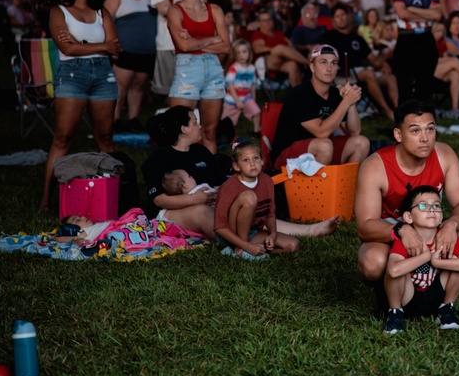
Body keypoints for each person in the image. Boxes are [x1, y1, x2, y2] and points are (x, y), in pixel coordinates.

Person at [355, 100, 459, 294]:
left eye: (430, 129)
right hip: (393, 235)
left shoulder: (444, 154)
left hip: (432, 230)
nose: (425, 138)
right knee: (372, 262)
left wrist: (450, 225)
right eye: (415, 131)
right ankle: (395, 294)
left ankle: (437, 286)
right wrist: (402, 230)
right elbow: (365, 227)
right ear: (398, 135)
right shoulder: (375, 166)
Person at [142, 106, 340, 238]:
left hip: (209, 203)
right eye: (195, 122)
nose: (200, 126)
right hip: (171, 213)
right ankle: (247, 240)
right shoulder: (160, 157)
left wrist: (220, 192)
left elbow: (222, 181)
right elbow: (158, 200)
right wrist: (197, 200)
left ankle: (310, 230)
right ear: (184, 129)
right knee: (203, 211)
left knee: (247, 203)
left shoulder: (200, 152)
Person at [39, 0, 123, 211]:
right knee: (63, 137)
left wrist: (82, 44)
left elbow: (115, 49)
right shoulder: (59, 12)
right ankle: (46, 199)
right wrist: (100, 46)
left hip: (103, 75)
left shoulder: (102, 13)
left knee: (106, 138)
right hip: (72, 75)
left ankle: (116, 194)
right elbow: (68, 48)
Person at [382, 185, 459, 334]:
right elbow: (393, 270)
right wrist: (426, 256)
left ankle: (446, 309)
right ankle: (395, 313)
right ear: (408, 217)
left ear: (441, 216)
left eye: (436, 206)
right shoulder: (407, 240)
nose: (431, 209)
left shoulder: (445, 238)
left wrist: (437, 262)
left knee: (458, 262)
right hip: (408, 296)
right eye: (423, 206)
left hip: (436, 294)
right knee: (399, 269)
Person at [270, 45, 369, 170]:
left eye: (333, 63)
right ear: (312, 67)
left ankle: (346, 187)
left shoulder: (334, 94)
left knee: (361, 142)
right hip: (287, 157)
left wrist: (351, 103)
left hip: (323, 150)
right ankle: (316, 189)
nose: (329, 68)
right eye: (323, 62)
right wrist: (345, 102)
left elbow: (354, 131)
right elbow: (321, 132)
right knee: (324, 145)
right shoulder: (299, 94)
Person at [166, 0, 231, 154]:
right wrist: (212, 39)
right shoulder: (175, 11)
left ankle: (209, 177)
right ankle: (179, 179)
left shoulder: (215, 10)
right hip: (187, 70)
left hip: (213, 70)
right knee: (179, 133)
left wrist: (195, 41)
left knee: (210, 132)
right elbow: (184, 46)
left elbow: (226, 47)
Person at [214, 140, 299, 259]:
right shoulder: (229, 187)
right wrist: (247, 246)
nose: (252, 164)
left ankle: (254, 253)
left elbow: (270, 214)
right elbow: (220, 227)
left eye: (255, 158)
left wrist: (272, 235)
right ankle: (240, 249)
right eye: (246, 160)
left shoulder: (267, 181)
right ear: (236, 166)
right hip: (229, 235)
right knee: (249, 197)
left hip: (252, 231)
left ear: (262, 161)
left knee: (292, 245)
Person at [320, 3, 399, 121]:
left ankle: (399, 112)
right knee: (369, 73)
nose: (341, 18)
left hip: (361, 72)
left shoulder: (357, 38)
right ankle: (387, 111)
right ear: (333, 21)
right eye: (337, 16)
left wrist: (383, 59)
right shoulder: (328, 37)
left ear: (348, 16)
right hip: (343, 75)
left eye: (343, 14)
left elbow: (374, 61)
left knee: (390, 78)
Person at [104, 0, 156, 132]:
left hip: (146, 51)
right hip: (125, 50)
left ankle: (133, 119)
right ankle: (116, 120)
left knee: (138, 86)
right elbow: (105, 21)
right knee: (121, 87)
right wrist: (111, 45)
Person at [391, 0, 443, 103]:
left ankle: (424, 123)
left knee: (424, 85)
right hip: (406, 39)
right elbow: (402, 14)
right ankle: (404, 123)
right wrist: (426, 14)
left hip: (426, 39)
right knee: (405, 86)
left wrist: (412, 9)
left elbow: (437, 15)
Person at [251, 9, 308, 87]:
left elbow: (291, 47)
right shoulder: (258, 34)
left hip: (284, 61)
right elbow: (258, 49)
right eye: (264, 20)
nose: (267, 22)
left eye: (269, 19)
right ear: (259, 23)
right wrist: (274, 50)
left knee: (293, 65)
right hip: (267, 61)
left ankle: (298, 95)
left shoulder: (279, 33)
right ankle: (308, 63)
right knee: (280, 48)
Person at [150, 0, 179, 96]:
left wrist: (170, 8)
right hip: (165, 42)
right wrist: (183, 8)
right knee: (168, 87)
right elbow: (163, 10)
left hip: (186, 42)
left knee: (185, 83)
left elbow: (196, 11)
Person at [222, 39, 262, 136]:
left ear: (249, 52)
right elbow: (230, 85)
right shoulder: (234, 68)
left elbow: (252, 85)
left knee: (257, 112)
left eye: (244, 52)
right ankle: (227, 136)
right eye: (238, 53)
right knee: (229, 120)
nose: (241, 55)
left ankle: (256, 131)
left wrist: (253, 98)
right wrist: (237, 101)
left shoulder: (252, 68)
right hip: (232, 99)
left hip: (246, 97)